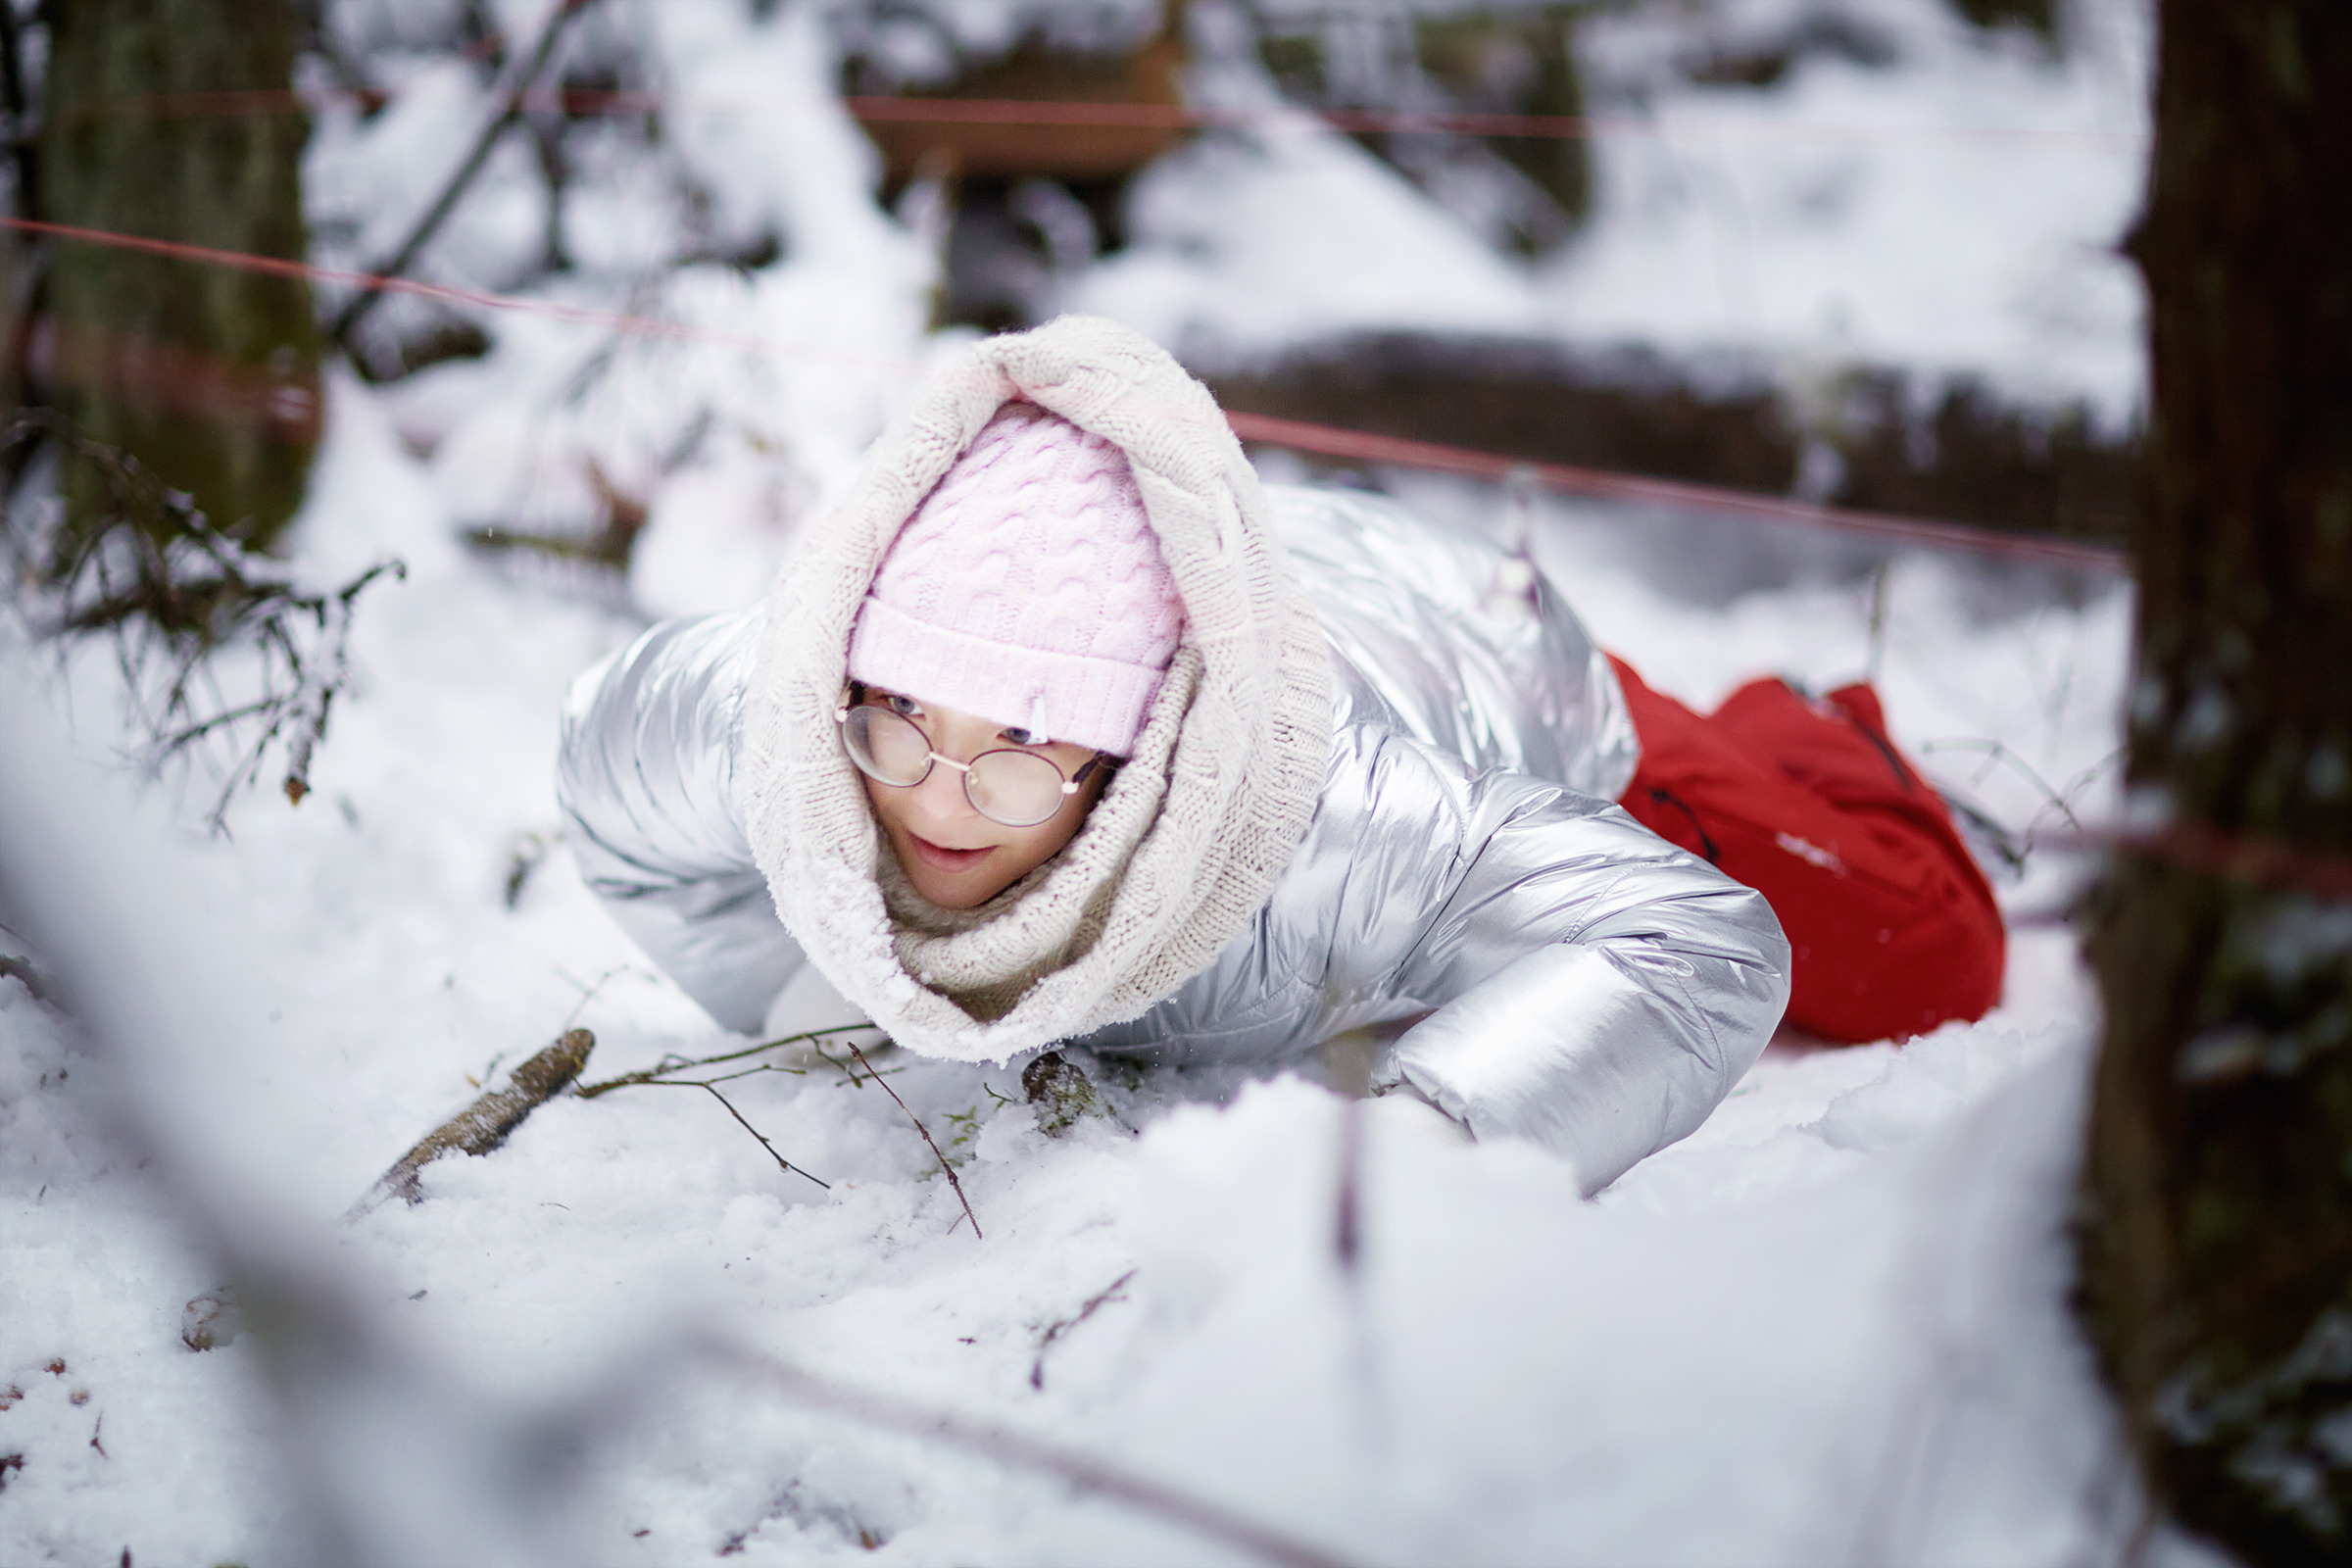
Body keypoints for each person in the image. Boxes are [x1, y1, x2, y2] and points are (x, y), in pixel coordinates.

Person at [560, 317, 1831, 1195]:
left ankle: (1805, 719)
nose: (938, 800)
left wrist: (1419, 1149)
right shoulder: (782, 726)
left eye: (1016, 747)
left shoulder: (1333, 827)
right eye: (902, 721)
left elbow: (1699, 943)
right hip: (1231, 559)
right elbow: (611, 782)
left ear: (1127, 759)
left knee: (1905, 940)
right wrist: (820, 986)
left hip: (1488, 637)